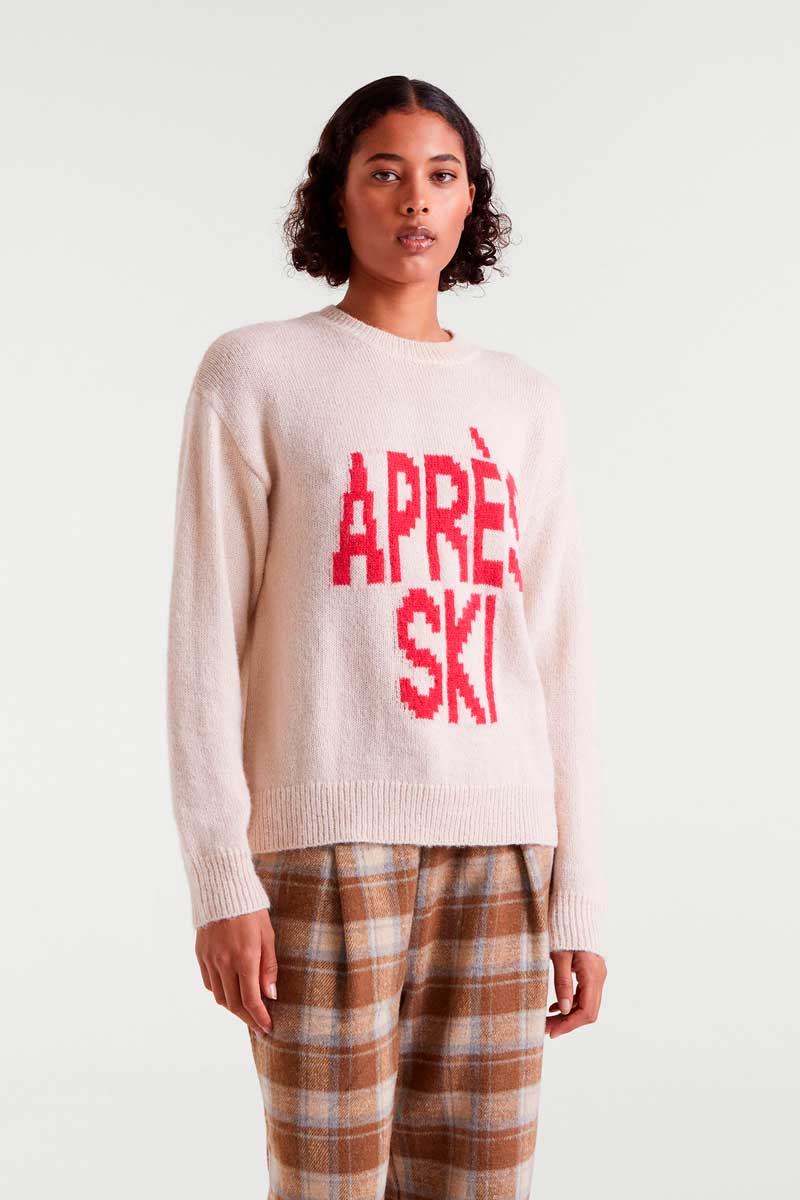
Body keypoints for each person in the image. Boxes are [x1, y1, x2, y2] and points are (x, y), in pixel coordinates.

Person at [166, 74, 608, 1199]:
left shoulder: (524, 401)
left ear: (470, 203)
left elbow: (558, 654)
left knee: (479, 1183)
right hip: (321, 845)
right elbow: (202, 639)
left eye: (442, 175)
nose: (416, 199)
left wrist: (580, 896)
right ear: (337, 196)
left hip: (501, 849)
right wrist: (220, 877)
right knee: (325, 1182)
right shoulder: (255, 372)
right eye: (385, 172)